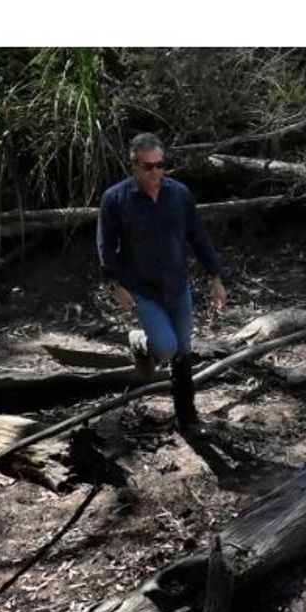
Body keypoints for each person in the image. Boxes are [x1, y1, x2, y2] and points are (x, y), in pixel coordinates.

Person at [97, 132, 229, 432]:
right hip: (143, 289)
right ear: (133, 165)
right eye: (148, 167)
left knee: (183, 353)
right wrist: (115, 285)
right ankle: (141, 342)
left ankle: (188, 417)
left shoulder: (179, 194)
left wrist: (215, 277)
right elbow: (106, 245)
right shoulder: (115, 199)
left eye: (160, 165)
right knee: (167, 349)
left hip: (177, 285)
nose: (155, 172)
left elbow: (198, 236)